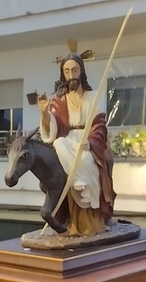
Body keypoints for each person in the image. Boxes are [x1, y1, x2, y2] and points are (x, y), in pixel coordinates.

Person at [37, 52, 116, 235]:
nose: (71, 75)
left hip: (87, 140)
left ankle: (87, 200)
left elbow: (100, 125)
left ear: (81, 71)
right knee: (59, 144)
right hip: (68, 140)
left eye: (74, 70)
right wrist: (44, 113)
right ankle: (77, 184)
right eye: (67, 71)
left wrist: (91, 142)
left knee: (88, 159)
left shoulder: (93, 96)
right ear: (62, 74)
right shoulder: (59, 99)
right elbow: (53, 128)